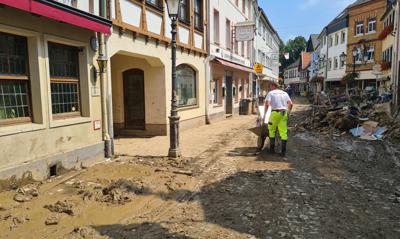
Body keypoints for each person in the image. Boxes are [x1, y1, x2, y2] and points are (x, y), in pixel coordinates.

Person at [263, 79, 293, 157]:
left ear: (273, 86)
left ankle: (272, 150)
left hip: (274, 113)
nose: (269, 88)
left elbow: (267, 104)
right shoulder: (285, 93)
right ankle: (283, 152)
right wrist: (288, 112)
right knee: (283, 132)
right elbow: (291, 104)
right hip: (284, 113)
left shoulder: (271, 93)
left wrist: (265, 114)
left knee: (272, 130)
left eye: (270, 86)